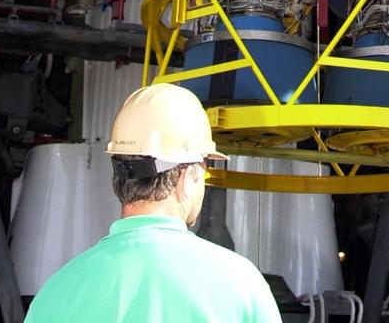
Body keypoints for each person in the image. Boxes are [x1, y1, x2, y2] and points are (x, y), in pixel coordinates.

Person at [26, 84, 282, 323]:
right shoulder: (241, 286)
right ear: (188, 175)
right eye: (205, 168)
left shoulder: (56, 291)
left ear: (119, 176)